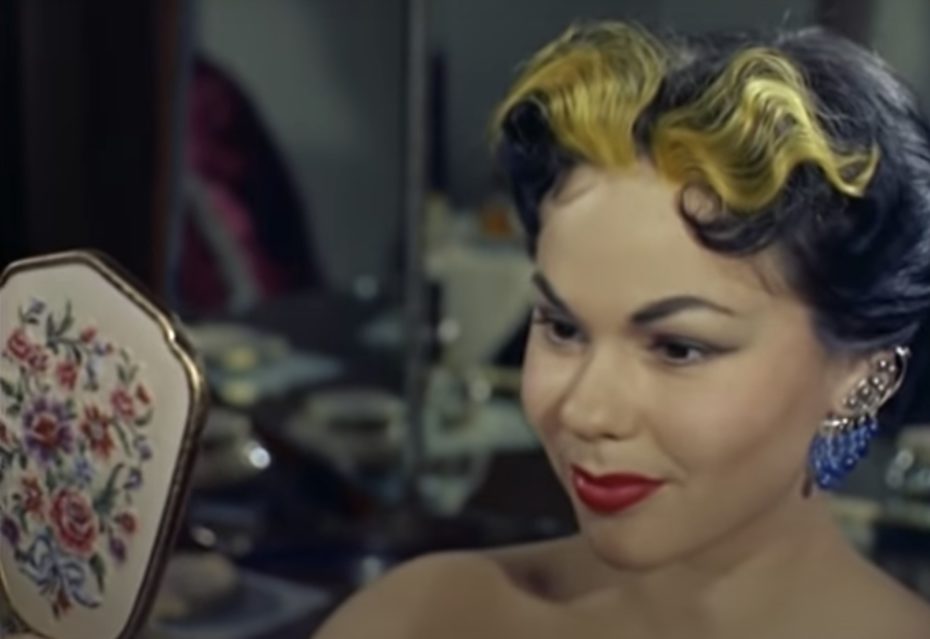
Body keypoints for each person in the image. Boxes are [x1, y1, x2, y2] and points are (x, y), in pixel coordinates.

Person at [312, 19, 930, 639]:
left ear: (864, 377)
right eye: (563, 328)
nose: (585, 411)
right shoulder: (421, 620)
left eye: (678, 348)